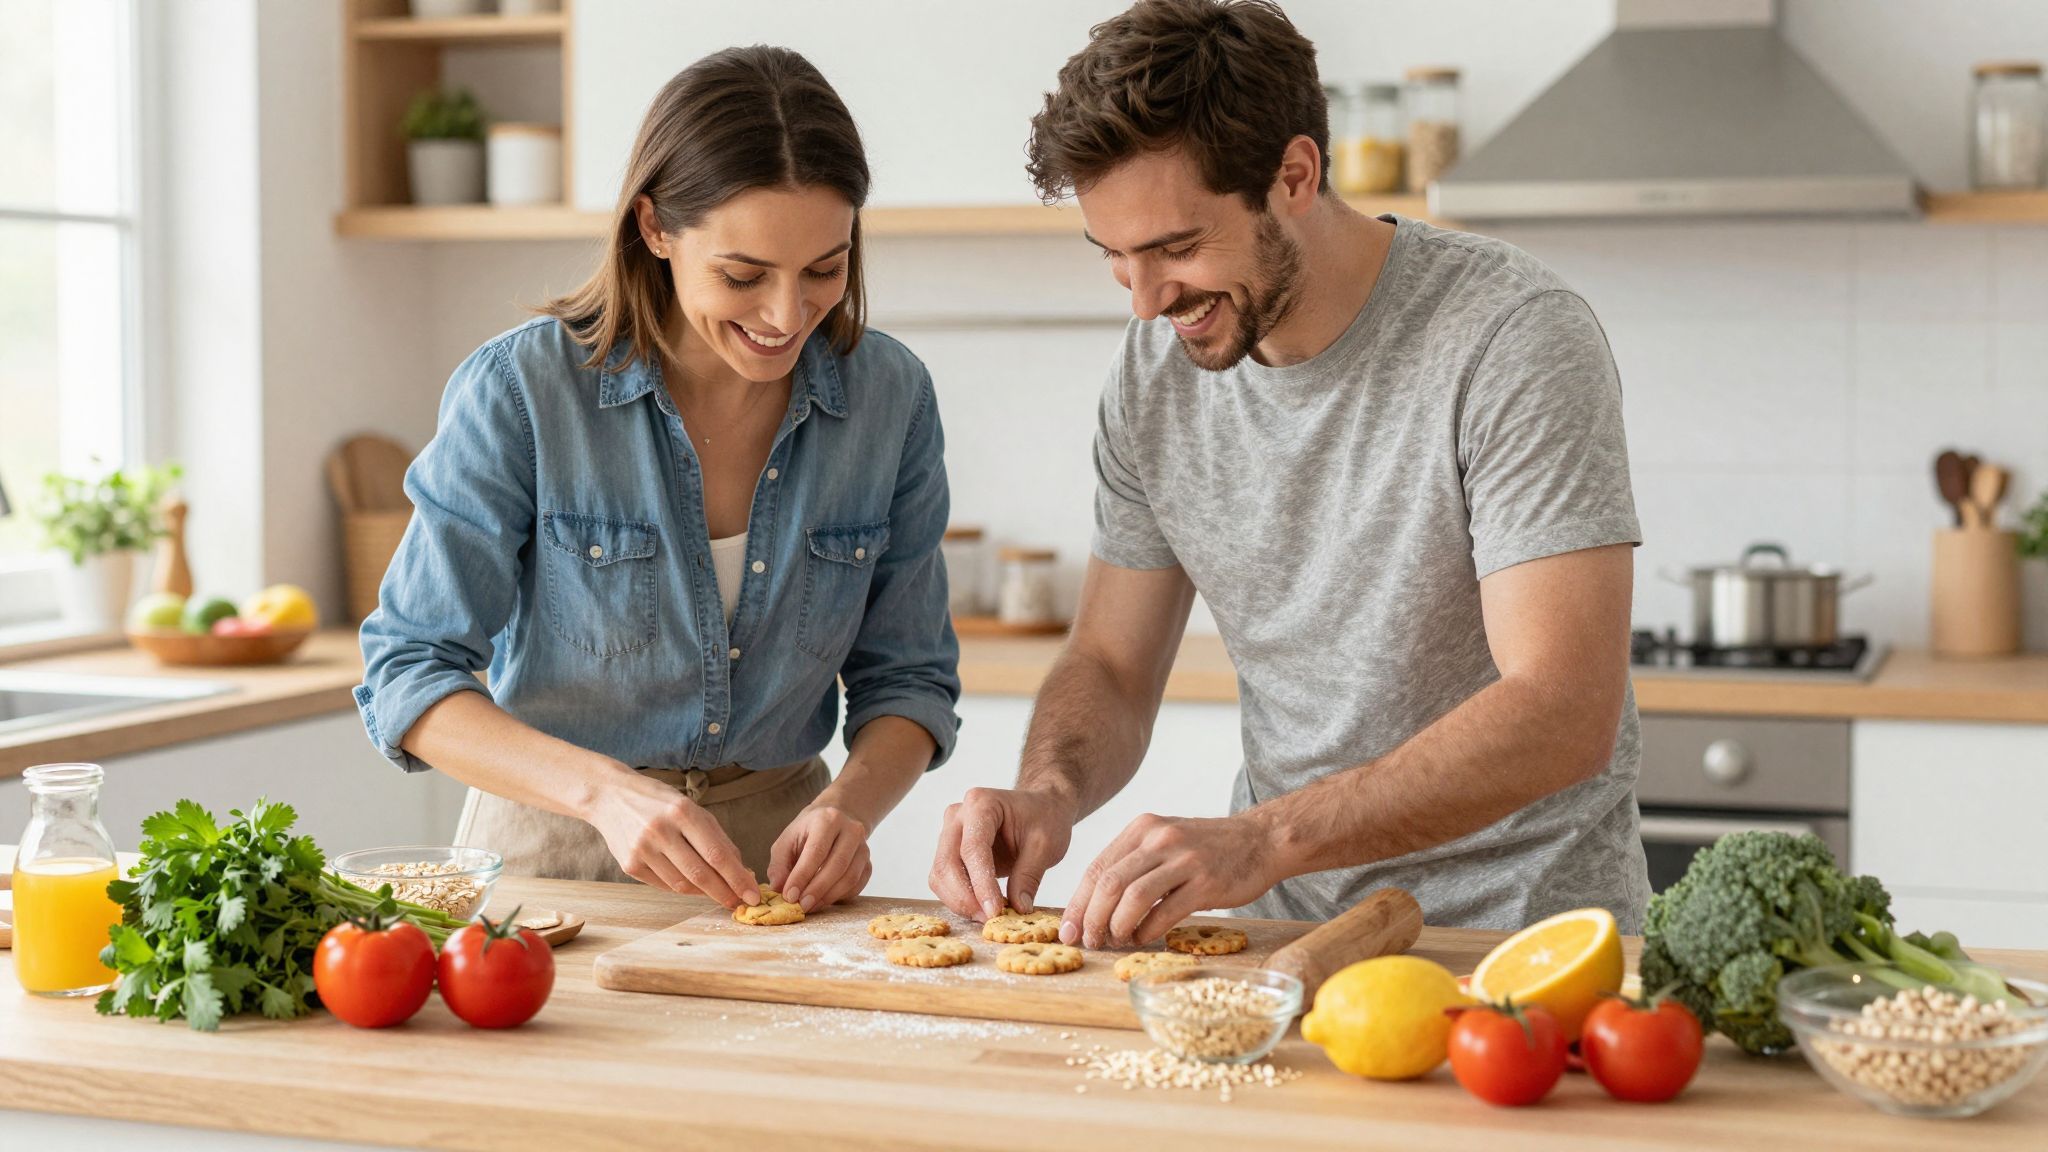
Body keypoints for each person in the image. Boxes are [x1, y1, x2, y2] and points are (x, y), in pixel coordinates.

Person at [930, 0, 1648, 946]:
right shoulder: (1155, 378)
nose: (1146, 302)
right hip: (1285, 944)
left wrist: (1264, 837)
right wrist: (1048, 792)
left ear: (1296, 175)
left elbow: (1562, 708)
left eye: (1176, 249)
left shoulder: (1510, 338)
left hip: (1521, 946)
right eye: (1114, 256)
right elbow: (1110, 660)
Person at [357, 46, 960, 914]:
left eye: (824, 269)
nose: (787, 316)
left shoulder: (889, 399)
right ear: (655, 228)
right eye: (743, 275)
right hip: (550, 862)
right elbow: (409, 672)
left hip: (778, 867)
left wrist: (850, 808)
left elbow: (909, 679)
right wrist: (605, 793)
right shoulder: (523, 393)